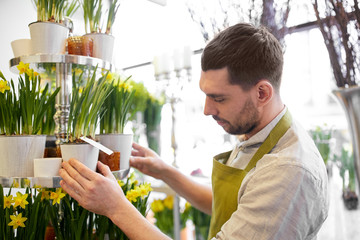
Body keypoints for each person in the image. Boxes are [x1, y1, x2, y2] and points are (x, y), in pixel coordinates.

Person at [59, 23, 329, 240]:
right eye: (205, 95)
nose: (207, 109)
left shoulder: (288, 170)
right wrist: (165, 171)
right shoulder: (256, 133)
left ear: (262, 93)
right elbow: (233, 206)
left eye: (219, 98)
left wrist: (116, 208)